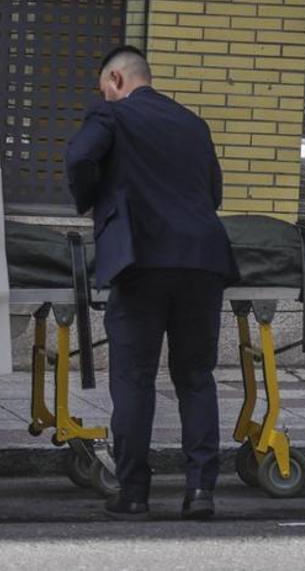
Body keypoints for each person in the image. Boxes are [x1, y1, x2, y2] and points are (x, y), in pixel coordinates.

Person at [65, 45, 238, 520]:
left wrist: (99, 203)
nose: (105, 95)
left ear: (116, 81)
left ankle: (134, 493)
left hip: (141, 260)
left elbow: (80, 157)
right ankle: (201, 491)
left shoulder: (112, 114)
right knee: (196, 378)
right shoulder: (192, 123)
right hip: (203, 261)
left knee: (135, 380)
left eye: (106, 88)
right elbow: (214, 191)